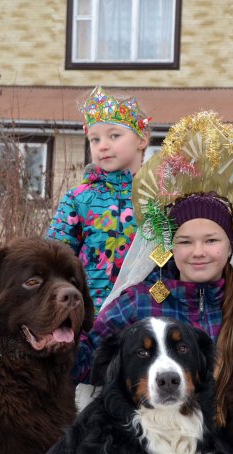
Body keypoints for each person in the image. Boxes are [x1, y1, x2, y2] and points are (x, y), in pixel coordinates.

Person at [73, 111, 233, 454]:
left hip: (221, 436)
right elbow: (90, 351)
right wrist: (55, 345)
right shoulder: (143, 299)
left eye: (211, 240)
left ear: (231, 243)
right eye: (185, 241)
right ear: (170, 245)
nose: (197, 252)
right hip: (146, 436)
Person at [46, 84, 151, 314]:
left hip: (144, 313)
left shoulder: (157, 198)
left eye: (114, 135)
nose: (103, 146)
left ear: (142, 139)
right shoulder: (79, 199)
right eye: (95, 139)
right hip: (89, 315)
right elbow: (53, 259)